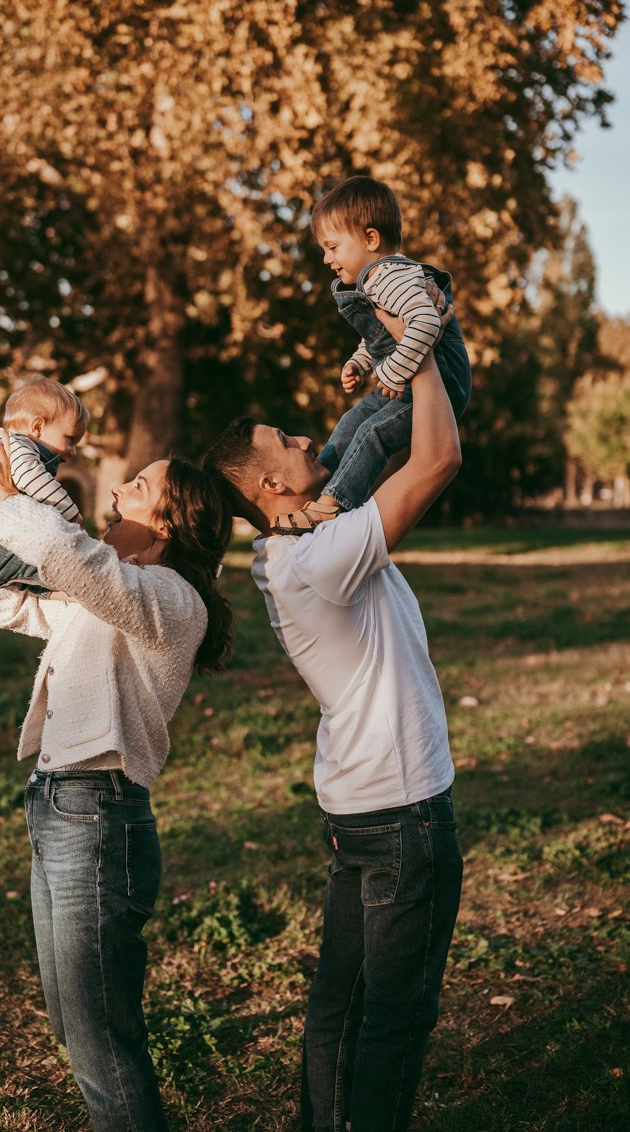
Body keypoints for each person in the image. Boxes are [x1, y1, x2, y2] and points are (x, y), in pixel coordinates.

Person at [203, 338, 464, 1132]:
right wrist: (418, 351)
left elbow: (363, 452)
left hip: (361, 807)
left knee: (339, 1002)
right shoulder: (318, 557)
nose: (308, 439)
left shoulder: (287, 553)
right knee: (396, 1012)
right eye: (288, 441)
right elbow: (438, 460)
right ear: (272, 483)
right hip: (403, 809)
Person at [0, 431, 233, 1132]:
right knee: (71, 1015)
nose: (116, 492)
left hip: (98, 816)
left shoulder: (174, 602)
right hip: (57, 807)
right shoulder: (113, 595)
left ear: (169, 523)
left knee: (101, 1039)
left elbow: (76, 562)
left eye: (138, 487)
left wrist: (13, 501)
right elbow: (12, 602)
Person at [272, 175, 471, 534]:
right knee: (352, 421)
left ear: (370, 239)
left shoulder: (391, 277)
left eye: (332, 247)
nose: (325, 258)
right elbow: (381, 334)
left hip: (441, 384)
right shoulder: (377, 278)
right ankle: (324, 486)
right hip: (408, 381)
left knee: (373, 432)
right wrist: (361, 362)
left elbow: (426, 322)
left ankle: (332, 505)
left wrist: (393, 371)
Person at [0, 375, 89, 593]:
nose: (73, 451)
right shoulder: (16, 445)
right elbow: (33, 479)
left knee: (57, 571)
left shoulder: (16, 448)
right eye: (71, 439)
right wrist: (71, 515)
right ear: (38, 426)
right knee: (66, 566)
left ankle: (79, 590)